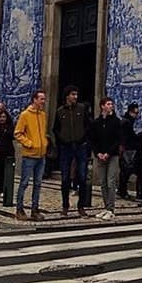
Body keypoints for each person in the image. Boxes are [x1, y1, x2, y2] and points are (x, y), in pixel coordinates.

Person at [53, 85, 92, 217]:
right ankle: (65, 205)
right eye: (73, 94)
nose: (75, 97)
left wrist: (83, 139)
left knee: (82, 176)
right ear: (67, 96)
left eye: (76, 94)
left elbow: (88, 125)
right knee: (65, 178)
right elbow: (55, 129)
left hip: (80, 146)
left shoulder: (82, 109)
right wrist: (62, 140)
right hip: (66, 147)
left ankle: (81, 205)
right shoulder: (60, 111)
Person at [14, 89, 49, 221]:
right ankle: (19, 209)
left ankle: (35, 209)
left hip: (41, 155)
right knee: (24, 183)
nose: (43, 101)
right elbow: (18, 133)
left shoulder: (43, 115)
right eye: (41, 99)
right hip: (29, 155)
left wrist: (44, 143)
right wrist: (28, 143)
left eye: (44, 99)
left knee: (38, 183)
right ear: (34, 100)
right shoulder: (25, 115)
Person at [90, 97, 122, 220]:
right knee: (103, 182)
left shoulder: (116, 122)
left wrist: (108, 153)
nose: (111, 106)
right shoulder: (96, 123)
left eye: (111, 104)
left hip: (112, 155)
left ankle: (111, 208)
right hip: (100, 155)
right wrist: (98, 153)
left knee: (111, 181)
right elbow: (93, 139)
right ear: (102, 106)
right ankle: (106, 206)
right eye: (108, 104)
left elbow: (117, 139)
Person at [118, 102, 141, 200]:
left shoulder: (127, 121)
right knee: (126, 171)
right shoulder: (126, 122)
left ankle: (122, 190)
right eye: (134, 113)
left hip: (128, 148)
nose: (136, 116)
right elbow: (127, 136)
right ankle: (122, 191)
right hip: (127, 149)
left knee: (126, 171)